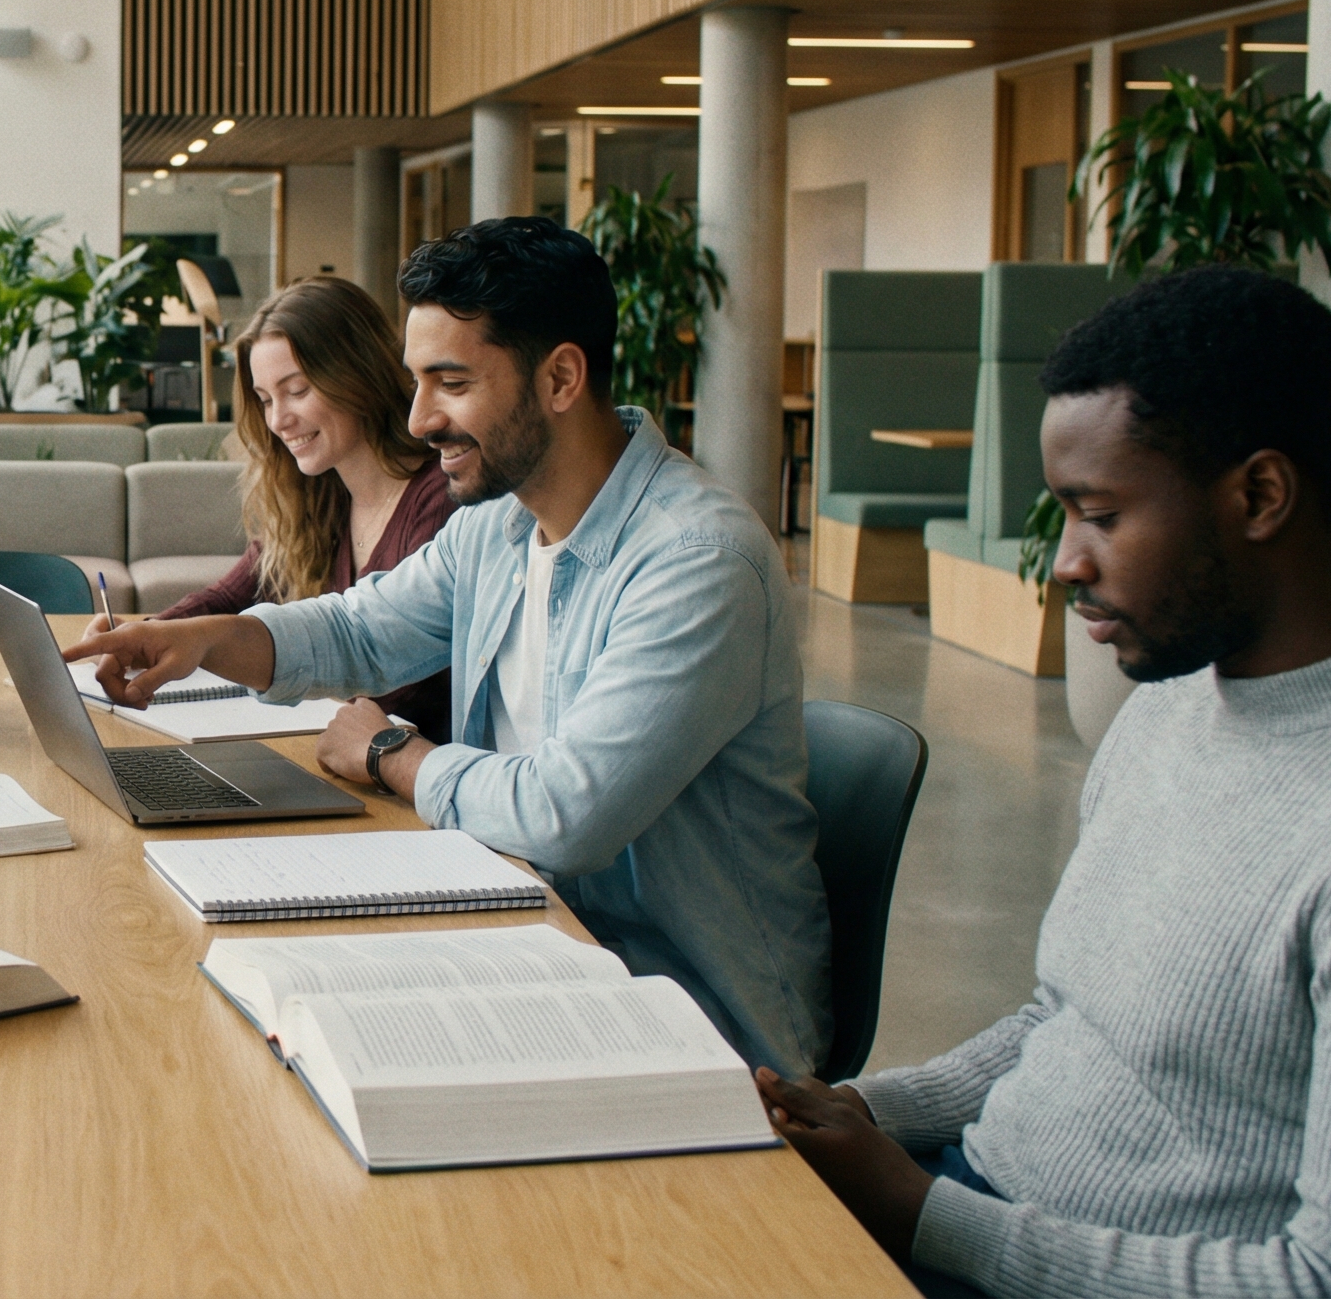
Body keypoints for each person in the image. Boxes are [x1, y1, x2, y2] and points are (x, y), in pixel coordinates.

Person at [65, 217, 829, 1074]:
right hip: (528, 934)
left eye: (451, 382)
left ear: (561, 378)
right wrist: (201, 639)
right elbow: (357, 628)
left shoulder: (696, 561)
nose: (422, 417)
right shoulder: (501, 526)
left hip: (682, 1010)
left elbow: (562, 815)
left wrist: (392, 751)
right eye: (417, 382)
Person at [757, 266, 1331, 1299]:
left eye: (1099, 516)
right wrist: (870, 1109)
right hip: (966, 1204)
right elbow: (1062, 1016)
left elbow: (1323, 1279)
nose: (1062, 564)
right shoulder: (1171, 703)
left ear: (1260, 495)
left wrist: (918, 1213)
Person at [94, 276, 452, 736]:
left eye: (297, 390)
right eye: (265, 399)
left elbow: (385, 677)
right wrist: (144, 636)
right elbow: (227, 598)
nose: (278, 420)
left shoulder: (440, 497)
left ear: (359, 375)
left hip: (403, 776)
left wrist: (218, 650)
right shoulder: (319, 494)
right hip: (332, 752)